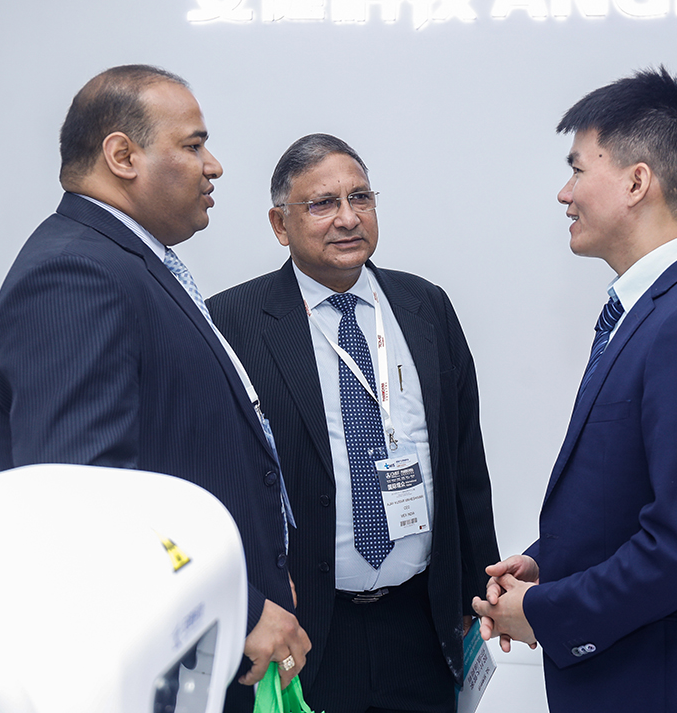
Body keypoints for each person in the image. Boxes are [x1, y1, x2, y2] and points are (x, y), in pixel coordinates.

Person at [0, 64, 310, 712]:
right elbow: (82, 500)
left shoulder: (126, 262)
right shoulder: (74, 274)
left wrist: (260, 572)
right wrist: (240, 607)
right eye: (193, 145)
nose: (214, 166)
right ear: (122, 156)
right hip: (166, 662)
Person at [473, 67, 677, 712]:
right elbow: (624, 499)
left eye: (578, 169)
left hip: (658, 685)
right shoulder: (654, 311)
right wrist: (547, 565)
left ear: (637, 182)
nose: (564, 193)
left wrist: (546, 611)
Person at [207, 134, 499, 713]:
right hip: (304, 628)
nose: (347, 218)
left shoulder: (425, 306)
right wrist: (247, 605)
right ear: (280, 224)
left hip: (419, 621)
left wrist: (477, 589)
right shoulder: (232, 323)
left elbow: (465, 459)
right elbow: (217, 481)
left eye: (360, 197)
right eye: (322, 203)